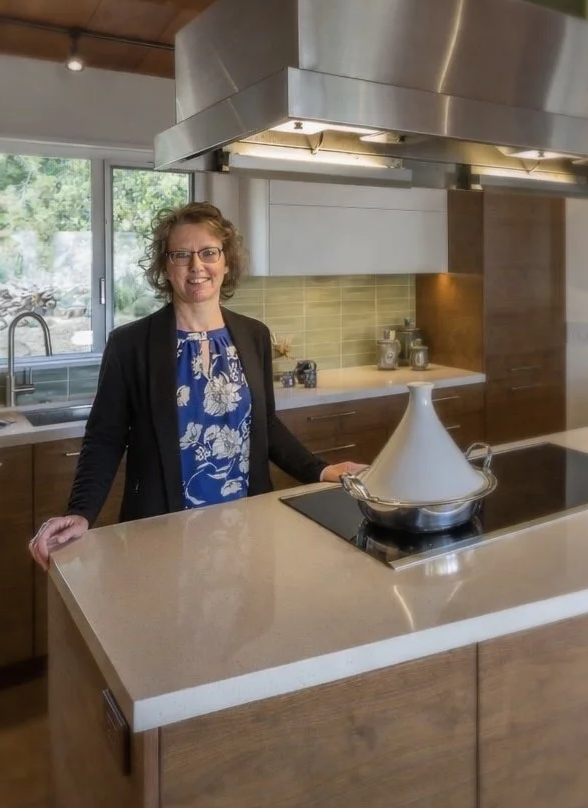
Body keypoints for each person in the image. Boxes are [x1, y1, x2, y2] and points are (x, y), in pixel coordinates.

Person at [29, 202, 365, 570]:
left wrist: (319, 470)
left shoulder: (254, 335)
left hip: (247, 523)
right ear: (165, 267)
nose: (196, 266)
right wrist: (81, 512)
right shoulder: (130, 344)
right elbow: (105, 438)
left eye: (208, 252)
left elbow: (264, 424)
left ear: (226, 261)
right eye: (181, 255)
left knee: (246, 618)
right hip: (161, 527)